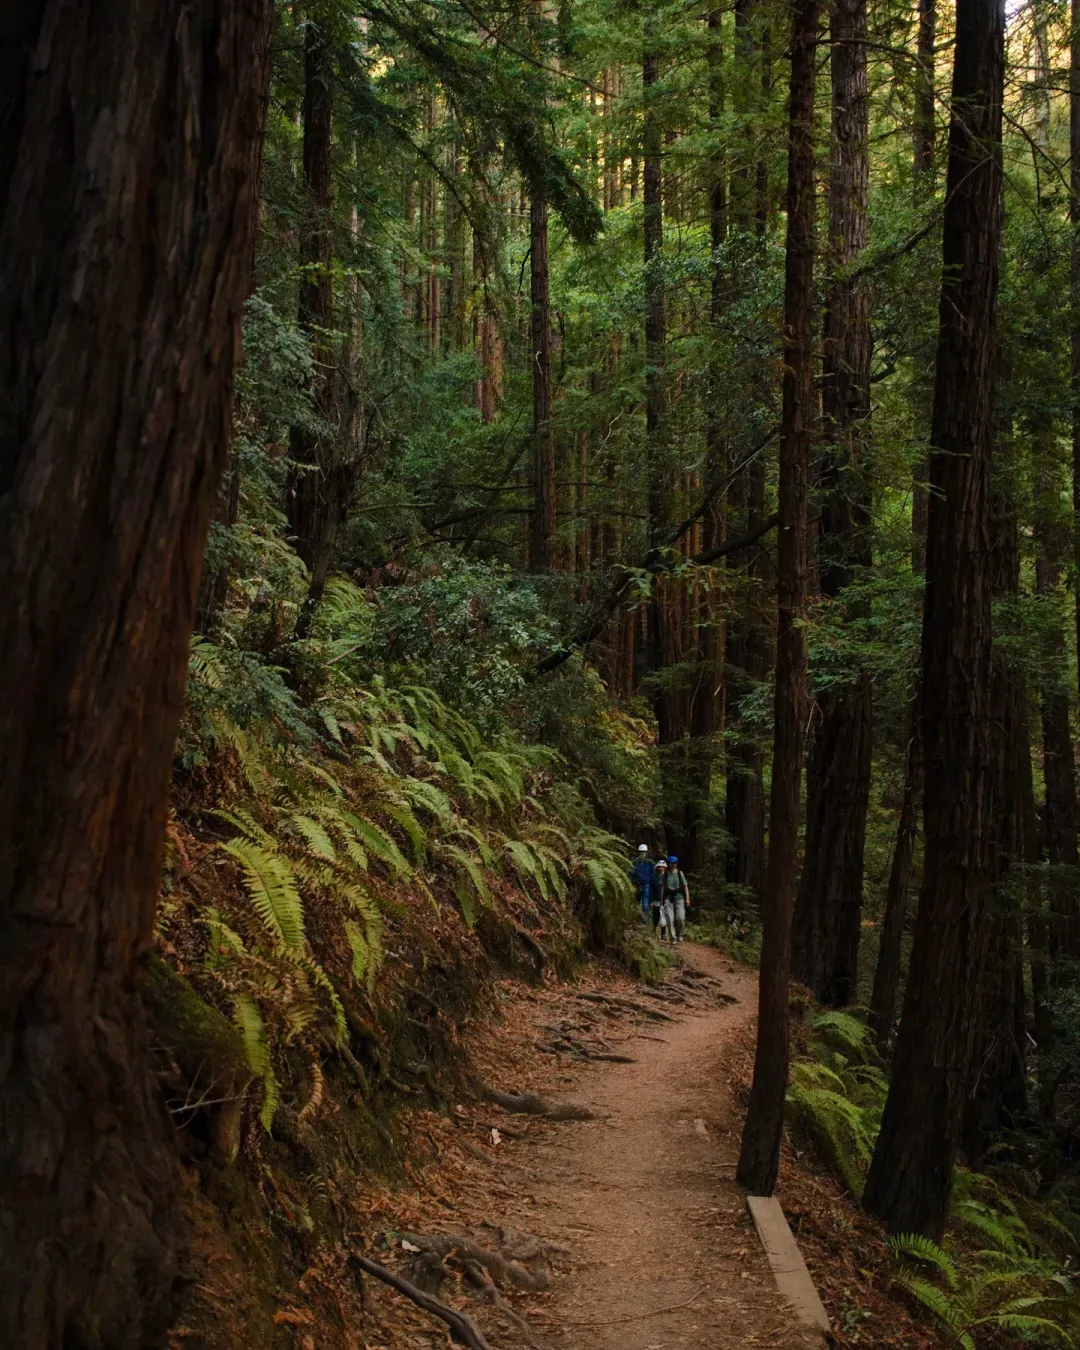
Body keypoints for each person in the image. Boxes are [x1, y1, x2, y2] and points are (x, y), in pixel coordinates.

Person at [664, 855, 690, 943]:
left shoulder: (680, 873)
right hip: (668, 898)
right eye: (672, 863)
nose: (673, 865)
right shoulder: (665, 874)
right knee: (669, 918)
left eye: (675, 863)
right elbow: (662, 888)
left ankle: (680, 934)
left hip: (679, 897)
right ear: (669, 864)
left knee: (680, 917)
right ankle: (673, 937)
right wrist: (661, 901)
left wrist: (687, 898)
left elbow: (685, 886)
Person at [631, 843, 654, 923]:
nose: (642, 854)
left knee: (645, 903)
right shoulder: (634, 862)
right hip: (637, 885)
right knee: (635, 902)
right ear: (638, 852)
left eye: (644, 852)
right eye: (641, 852)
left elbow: (653, 874)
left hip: (646, 885)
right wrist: (633, 883)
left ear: (646, 853)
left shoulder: (650, 863)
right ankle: (635, 919)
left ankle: (644, 922)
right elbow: (630, 873)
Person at [648, 859, 671, 940]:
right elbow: (651, 890)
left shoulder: (668, 877)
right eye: (659, 867)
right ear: (657, 868)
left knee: (664, 917)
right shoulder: (653, 877)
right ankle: (653, 932)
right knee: (656, 917)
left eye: (662, 867)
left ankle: (663, 934)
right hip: (656, 900)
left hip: (665, 901)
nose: (661, 869)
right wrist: (650, 901)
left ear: (665, 868)